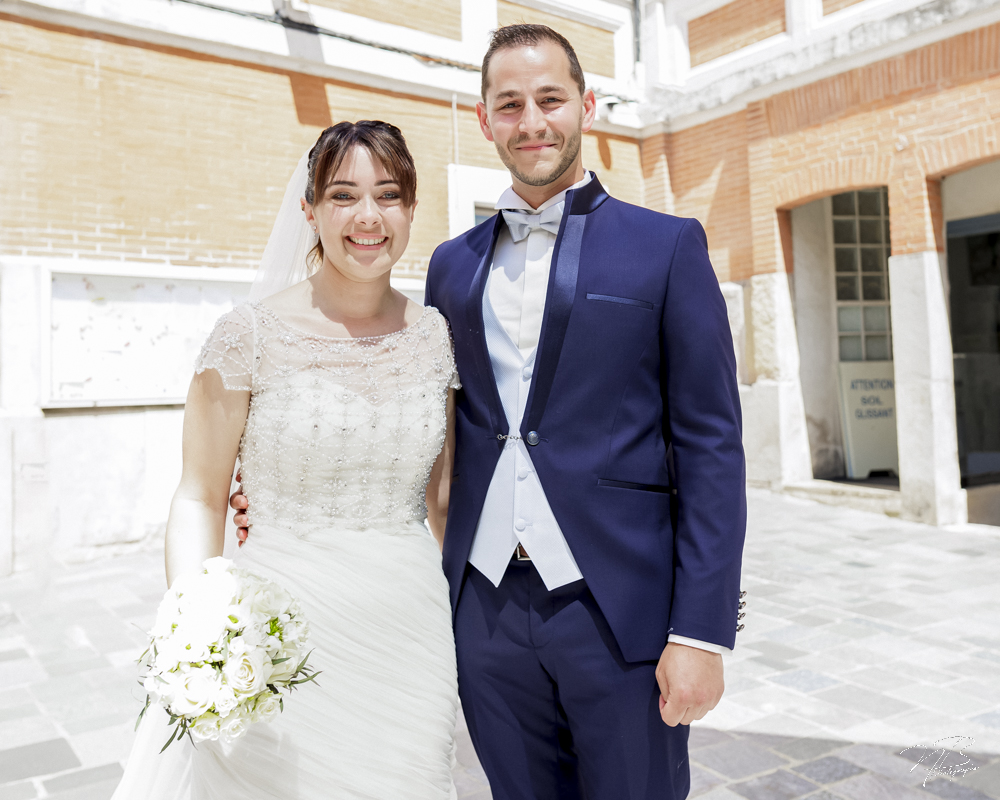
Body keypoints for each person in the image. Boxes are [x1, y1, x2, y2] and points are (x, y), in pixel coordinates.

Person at [235, 24, 746, 800]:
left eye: (550, 99)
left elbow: (711, 446)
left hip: (619, 611)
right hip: (484, 614)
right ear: (484, 120)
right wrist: (279, 486)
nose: (531, 122)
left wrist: (700, 632)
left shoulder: (667, 247)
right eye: (509, 105)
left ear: (588, 106)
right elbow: (425, 419)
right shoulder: (452, 265)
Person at [114, 121, 460, 799]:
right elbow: (199, 495)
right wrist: (198, 621)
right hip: (278, 633)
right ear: (309, 209)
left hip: (411, 634)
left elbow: (442, 500)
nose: (368, 216)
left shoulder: (433, 336)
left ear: (412, 209)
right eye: (343, 195)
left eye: (389, 195)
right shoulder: (248, 335)